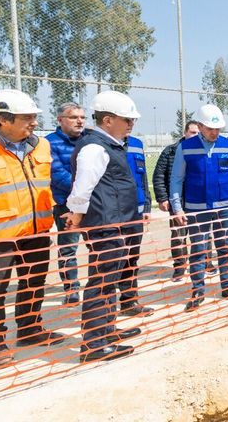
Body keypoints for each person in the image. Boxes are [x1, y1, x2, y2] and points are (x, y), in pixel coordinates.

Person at [0, 90, 64, 368]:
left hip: (36, 231)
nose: (33, 122)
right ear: (3, 120)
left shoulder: (41, 146)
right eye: (27, 117)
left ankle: (29, 329)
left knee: (33, 282)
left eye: (34, 117)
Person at [62, 90, 143, 362]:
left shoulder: (110, 144)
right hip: (105, 226)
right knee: (102, 281)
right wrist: (76, 213)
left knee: (112, 279)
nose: (131, 123)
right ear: (107, 120)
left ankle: (107, 330)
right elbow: (82, 187)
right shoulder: (95, 147)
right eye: (126, 119)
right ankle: (94, 345)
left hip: (117, 223)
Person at [170, 104, 228, 312]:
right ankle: (198, 290)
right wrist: (177, 208)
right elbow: (177, 178)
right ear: (200, 126)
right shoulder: (185, 147)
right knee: (198, 248)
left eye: (218, 129)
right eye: (210, 128)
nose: (215, 132)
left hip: (225, 208)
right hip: (196, 208)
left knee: (224, 247)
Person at [46, 102, 86, 306]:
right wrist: (84, 189)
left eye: (82, 117)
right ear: (60, 120)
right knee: (68, 249)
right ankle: (71, 290)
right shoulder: (48, 143)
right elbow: (57, 175)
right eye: (74, 117)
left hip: (92, 203)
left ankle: (100, 288)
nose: (79, 121)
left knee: (100, 246)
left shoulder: (89, 139)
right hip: (67, 205)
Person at [153, 120, 200, 281]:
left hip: (198, 200)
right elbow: (159, 175)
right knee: (178, 235)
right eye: (193, 132)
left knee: (201, 234)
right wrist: (162, 198)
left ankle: (204, 263)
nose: (196, 135)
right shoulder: (171, 151)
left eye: (199, 132)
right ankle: (180, 267)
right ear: (185, 133)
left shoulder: (203, 150)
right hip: (177, 201)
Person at [117, 134, 155, 317]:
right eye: (126, 119)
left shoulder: (137, 144)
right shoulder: (95, 142)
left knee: (132, 259)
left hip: (136, 212)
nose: (130, 123)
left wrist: (147, 204)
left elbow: (143, 177)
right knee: (110, 263)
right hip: (111, 214)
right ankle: (104, 313)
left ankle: (129, 302)